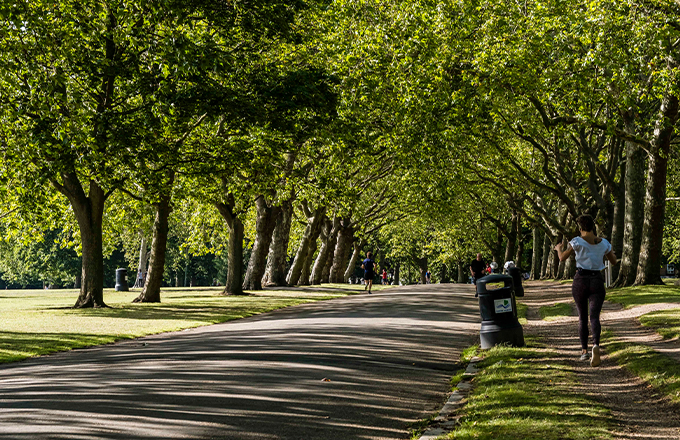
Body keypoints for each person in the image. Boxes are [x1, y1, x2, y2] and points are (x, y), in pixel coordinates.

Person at [555, 214, 618, 367]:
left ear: (580, 228)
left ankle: (584, 351)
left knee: (582, 317)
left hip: (580, 280)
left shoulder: (576, 241)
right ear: (593, 226)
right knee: (594, 316)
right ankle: (596, 344)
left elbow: (562, 258)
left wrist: (558, 249)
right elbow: (614, 261)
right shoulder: (604, 243)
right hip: (597, 280)